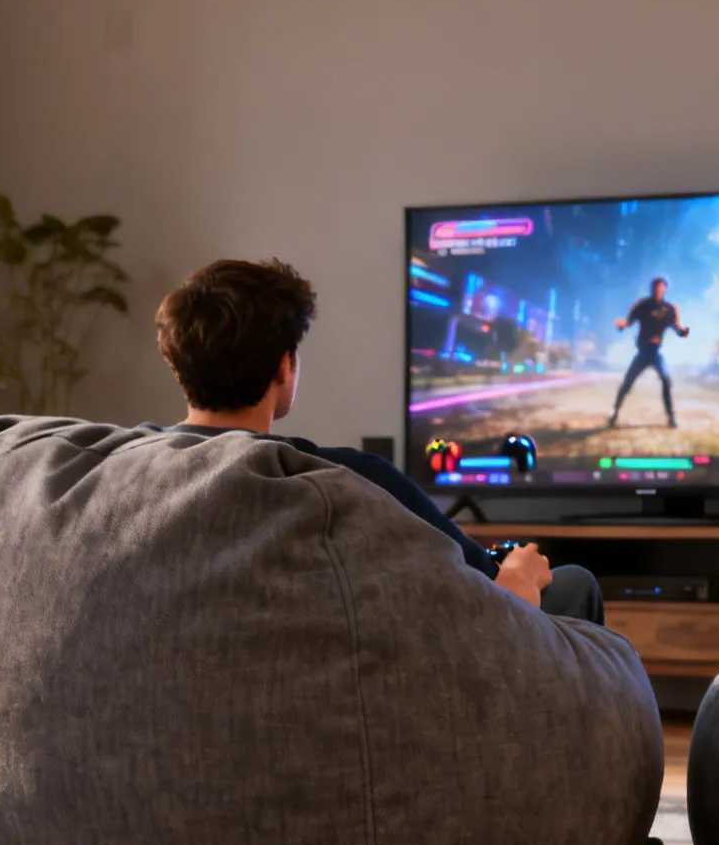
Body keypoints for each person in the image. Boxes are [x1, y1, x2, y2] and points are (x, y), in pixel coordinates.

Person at [144, 257, 604, 624]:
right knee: (572, 583)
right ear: (285, 366)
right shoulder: (352, 477)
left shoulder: (125, 467)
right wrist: (520, 575)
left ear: (175, 360)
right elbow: (488, 590)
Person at [609, 277, 690, 428]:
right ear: (651, 288)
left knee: (666, 380)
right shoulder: (643, 305)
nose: (658, 290)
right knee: (627, 382)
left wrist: (684, 331)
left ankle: (671, 417)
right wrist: (621, 325)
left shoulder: (669, 309)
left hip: (655, 353)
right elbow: (628, 322)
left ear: (664, 289)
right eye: (655, 287)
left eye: (661, 287)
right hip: (643, 353)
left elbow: (677, 327)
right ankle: (615, 413)